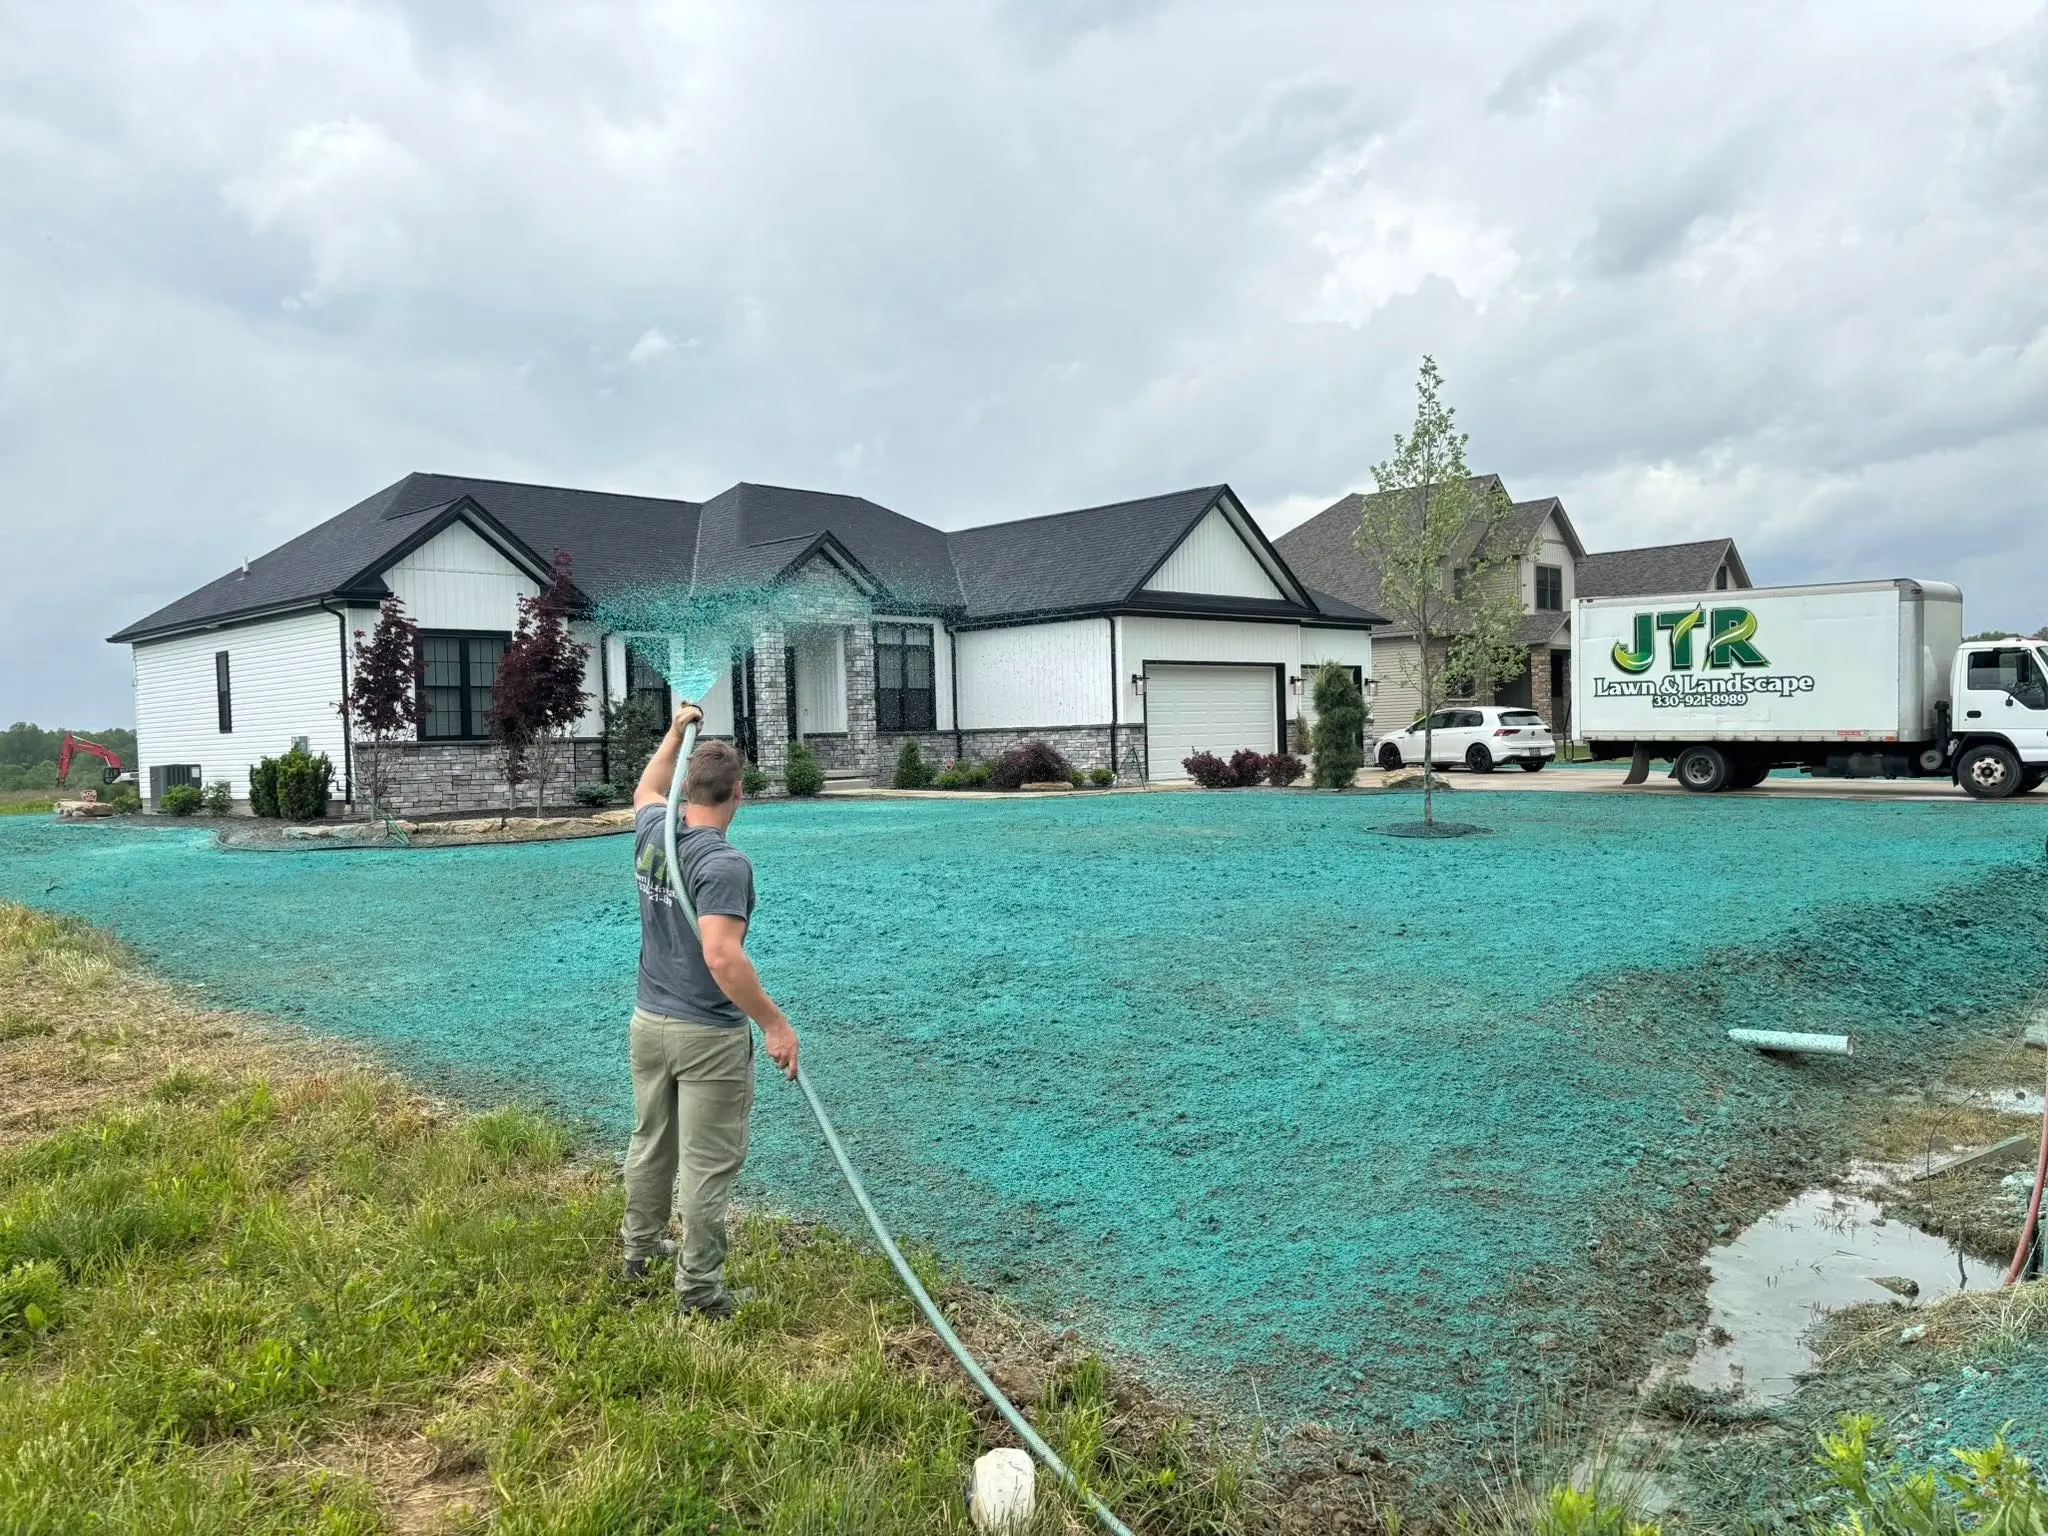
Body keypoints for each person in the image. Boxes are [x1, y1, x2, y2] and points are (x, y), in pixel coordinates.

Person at [622, 700, 800, 1317]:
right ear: (739, 793)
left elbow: (647, 786)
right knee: (707, 1163)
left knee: (652, 1142)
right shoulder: (723, 862)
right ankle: (698, 1291)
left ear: (686, 788)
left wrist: (674, 733)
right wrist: (775, 1024)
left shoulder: (653, 831)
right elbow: (723, 957)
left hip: (648, 1023)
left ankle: (639, 1252)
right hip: (706, 1035)